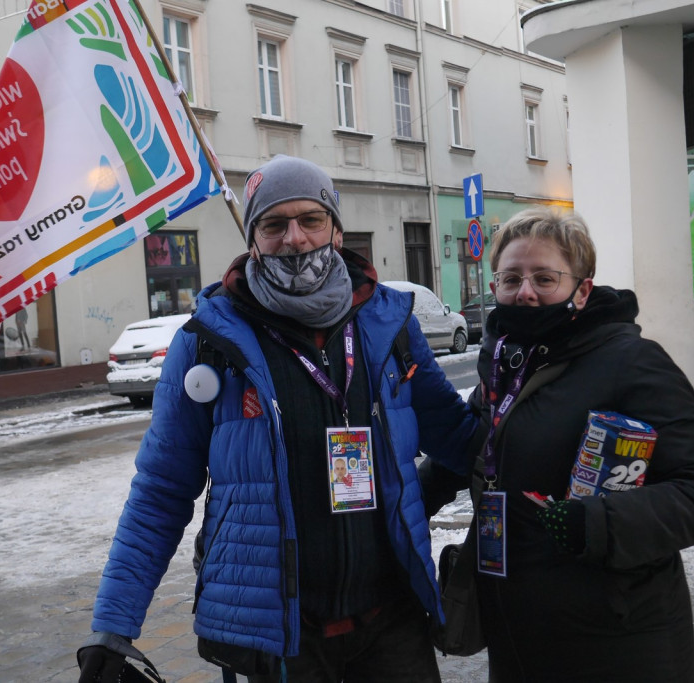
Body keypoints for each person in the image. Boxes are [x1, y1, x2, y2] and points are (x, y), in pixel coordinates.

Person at [77, 155, 483, 683]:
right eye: (273, 224)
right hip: (280, 638)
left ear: (336, 230)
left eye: (310, 220)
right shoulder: (208, 344)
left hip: (392, 624)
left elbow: (458, 439)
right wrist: (113, 625)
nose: (294, 238)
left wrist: (539, 403)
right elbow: (161, 489)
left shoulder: (392, 327)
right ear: (253, 240)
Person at [419, 208, 694, 682]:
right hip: (517, 627)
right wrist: (406, 496)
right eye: (511, 278)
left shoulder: (634, 363)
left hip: (615, 636)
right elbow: (486, 448)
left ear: (581, 289)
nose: (525, 292)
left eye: (545, 278)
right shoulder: (502, 365)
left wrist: (599, 524)